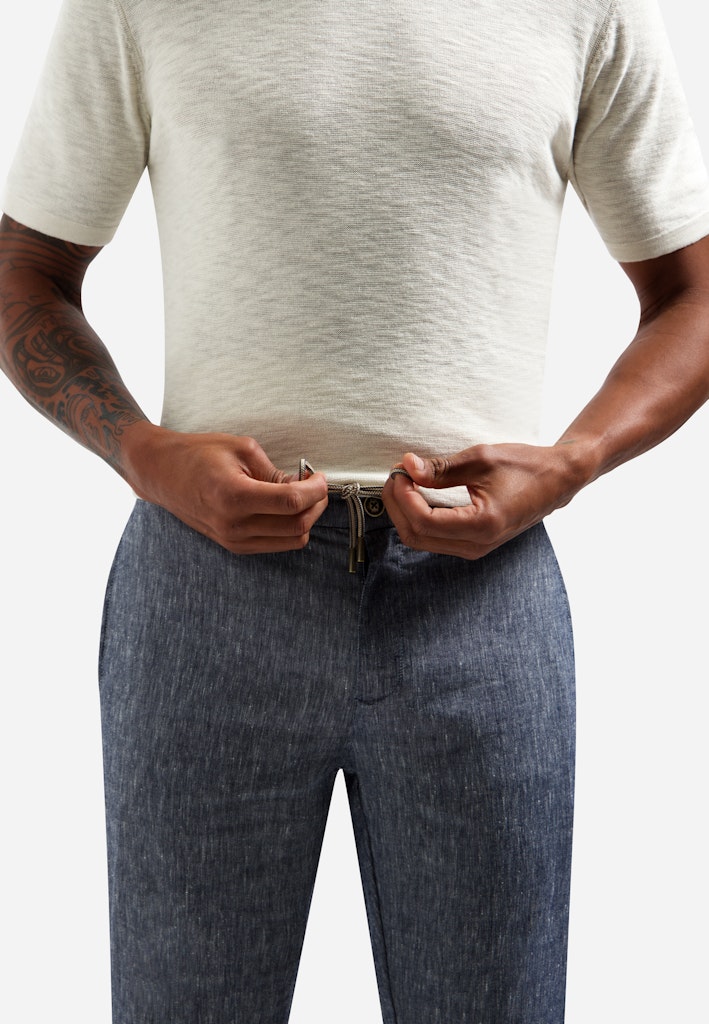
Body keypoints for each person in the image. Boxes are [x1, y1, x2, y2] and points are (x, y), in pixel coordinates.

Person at [1, 0, 708, 1022]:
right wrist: (143, 454)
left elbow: (692, 292)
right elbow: (27, 271)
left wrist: (569, 465)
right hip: (206, 589)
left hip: (481, 598)